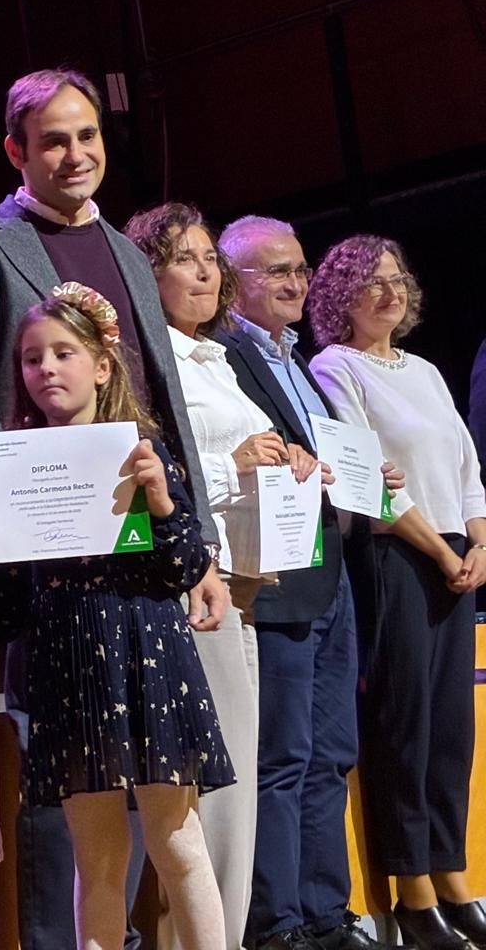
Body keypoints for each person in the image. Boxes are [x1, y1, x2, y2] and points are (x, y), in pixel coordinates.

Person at [0, 67, 227, 950]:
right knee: (76, 826)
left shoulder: (131, 255)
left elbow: (159, 402)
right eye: (52, 139)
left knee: (171, 826)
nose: (75, 154)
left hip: (142, 578)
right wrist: (15, 519)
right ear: (16, 150)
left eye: (87, 136)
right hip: (52, 574)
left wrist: (197, 545)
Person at [126, 203, 336, 950]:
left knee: (237, 783)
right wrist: (235, 462)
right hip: (191, 584)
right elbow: (154, 473)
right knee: (210, 794)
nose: (206, 271)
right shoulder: (152, 362)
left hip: (244, 585)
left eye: (210, 257)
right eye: (185, 258)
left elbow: (250, 449)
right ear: (145, 273)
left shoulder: (214, 356)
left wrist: (294, 459)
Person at [12, 284, 230, 950]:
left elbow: (186, 562)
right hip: (70, 657)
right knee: (96, 857)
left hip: (144, 649)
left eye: (63, 353)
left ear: (103, 366)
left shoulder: (140, 454)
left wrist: (162, 503)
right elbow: (10, 580)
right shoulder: (17, 463)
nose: (46, 368)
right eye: (31, 358)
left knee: (175, 839)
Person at [213, 215, 402, 950]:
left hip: (330, 570)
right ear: (234, 284)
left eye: (300, 269)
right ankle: (277, 921)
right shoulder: (226, 356)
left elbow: (321, 456)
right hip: (276, 572)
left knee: (332, 752)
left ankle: (327, 911)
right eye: (276, 271)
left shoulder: (299, 358)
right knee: (282, 757)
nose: (296, 283)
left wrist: (367, 478)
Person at [307, 237, 486, 950]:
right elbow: (364, 475)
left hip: (456, 557)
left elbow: (468, 464)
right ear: (338, 300)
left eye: (395, 280)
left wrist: (480, 542)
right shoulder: (334, 366)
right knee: (407, 725)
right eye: (368, 283)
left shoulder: (428, 371)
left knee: (452, 730)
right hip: (398, 557)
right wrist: (443, 550)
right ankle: (412, 894)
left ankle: (453, 877)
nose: (388, 292)